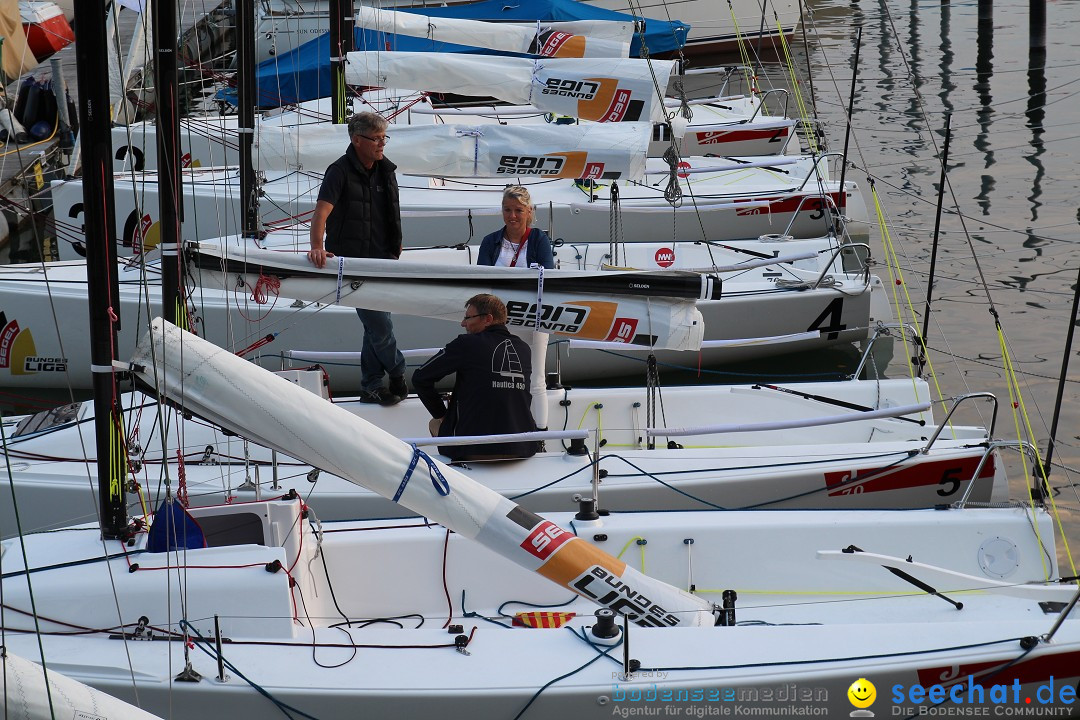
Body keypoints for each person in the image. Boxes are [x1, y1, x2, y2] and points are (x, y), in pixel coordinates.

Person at [308, 112, 408, 405]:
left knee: (374, 325)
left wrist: (396, 246)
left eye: (383, 138)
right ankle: (398, 371)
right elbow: (321, 214)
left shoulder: (385, 171)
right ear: (357, 140)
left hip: (383, 259)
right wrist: (317, 246)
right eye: (376, 139)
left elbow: (391, 212)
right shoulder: (338, 172)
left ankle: (370, 386)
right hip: (350, 263)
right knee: (379, 325)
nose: (381, 144)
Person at [412, 294, 540, 462]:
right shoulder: (523, 348)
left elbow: (420, 378)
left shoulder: (466, 344)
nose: (463, 323)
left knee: (434, 423)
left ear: (488, 319)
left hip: (473, 449)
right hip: (522, 448)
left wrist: (442, 414)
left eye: (467, 318)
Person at [477, 186, 556, 269]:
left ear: (529, 211)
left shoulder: (539, 239)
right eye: (507, 210)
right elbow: (482, 277)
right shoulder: (489, 241)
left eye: (518, 210)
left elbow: (547, 275)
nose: (512, 216)